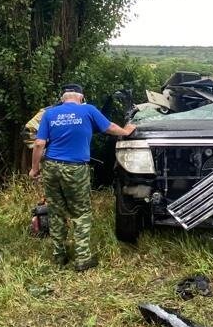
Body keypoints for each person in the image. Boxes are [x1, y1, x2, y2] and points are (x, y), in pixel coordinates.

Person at [30, 83, 136, 271]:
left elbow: (39, 143)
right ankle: (82, 258)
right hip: (75, 168)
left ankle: (59, 256)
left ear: (63, 98)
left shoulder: (49, 114)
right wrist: (126, 131)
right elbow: (109, 127)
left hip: (51, 166)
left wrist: (34, 169)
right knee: (81, 212)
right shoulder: (88, 110)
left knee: (56, 211)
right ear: (81, 97)